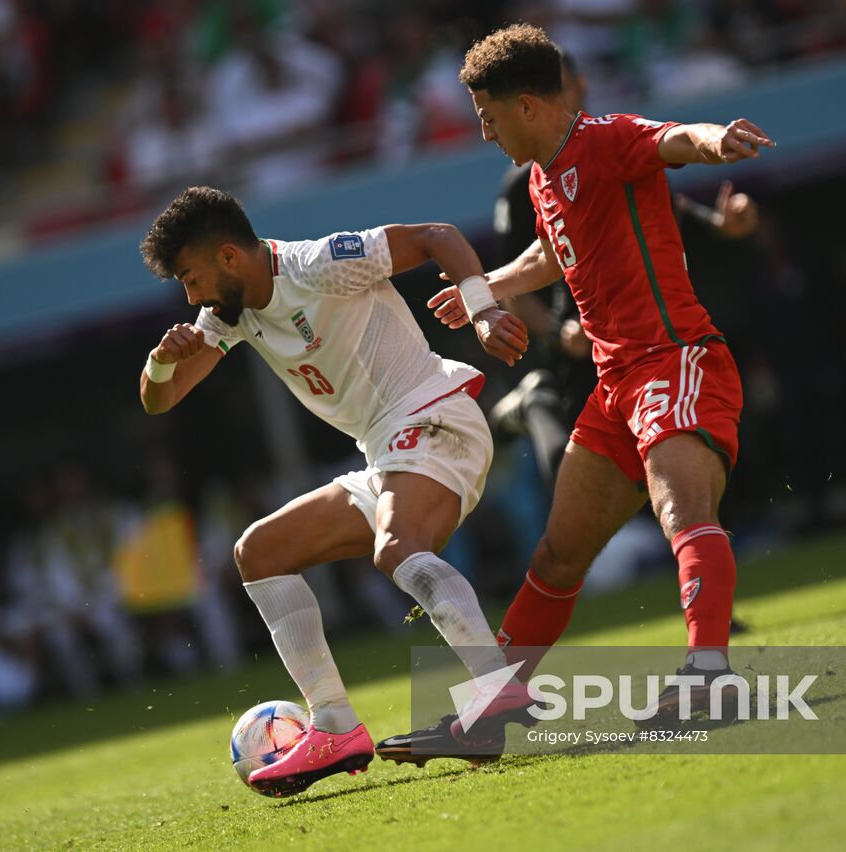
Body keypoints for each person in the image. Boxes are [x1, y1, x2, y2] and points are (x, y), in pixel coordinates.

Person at [380, 23, 775, 763]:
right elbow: (552, 253)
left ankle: (709, 677)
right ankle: (488, 714)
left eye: (489, 117)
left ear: (528, 106)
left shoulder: (606, 138)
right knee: (559, 556)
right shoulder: (542, 176)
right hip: (615, 384)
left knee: (683, 513)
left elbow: (673, 139)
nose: (486, 133)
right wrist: (487, 288)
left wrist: (716, 139)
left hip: (674, 361)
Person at [138, 186, 529, 796]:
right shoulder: (227, 316)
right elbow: (159, 400)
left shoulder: (317, 264)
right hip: (386, 452)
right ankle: (335, 726)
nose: (191, 298)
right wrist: (162, 361)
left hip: (433, 417)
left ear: (229, 257)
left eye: (191, 279)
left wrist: (481, 309)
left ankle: (495, 693)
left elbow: (438, 236)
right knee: (259, 552)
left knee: (397, 547)